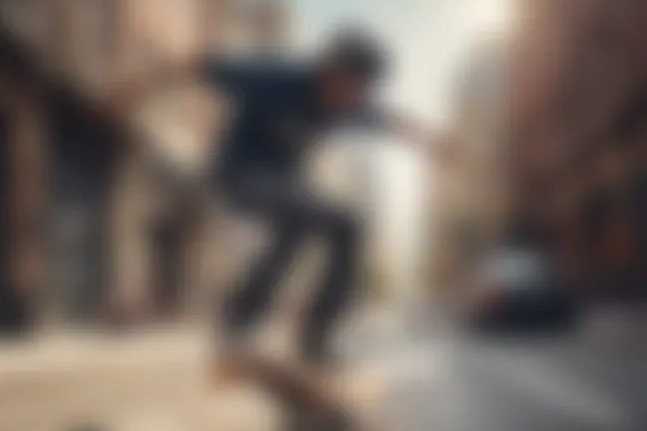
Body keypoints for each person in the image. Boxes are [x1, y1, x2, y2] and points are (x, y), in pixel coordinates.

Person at [108, 29, 455, 365]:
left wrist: (431, 141)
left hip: (285, 186)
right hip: (237, 174)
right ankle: (261, 325)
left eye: (353, 92)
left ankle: (273, 328)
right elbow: (197, 64)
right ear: (327, 68)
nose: (341, 98)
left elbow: (390, 122)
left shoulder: (352, 107)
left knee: (335, 228)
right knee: (317, 217)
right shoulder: (276, 77)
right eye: (340, 85)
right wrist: (134, 87)